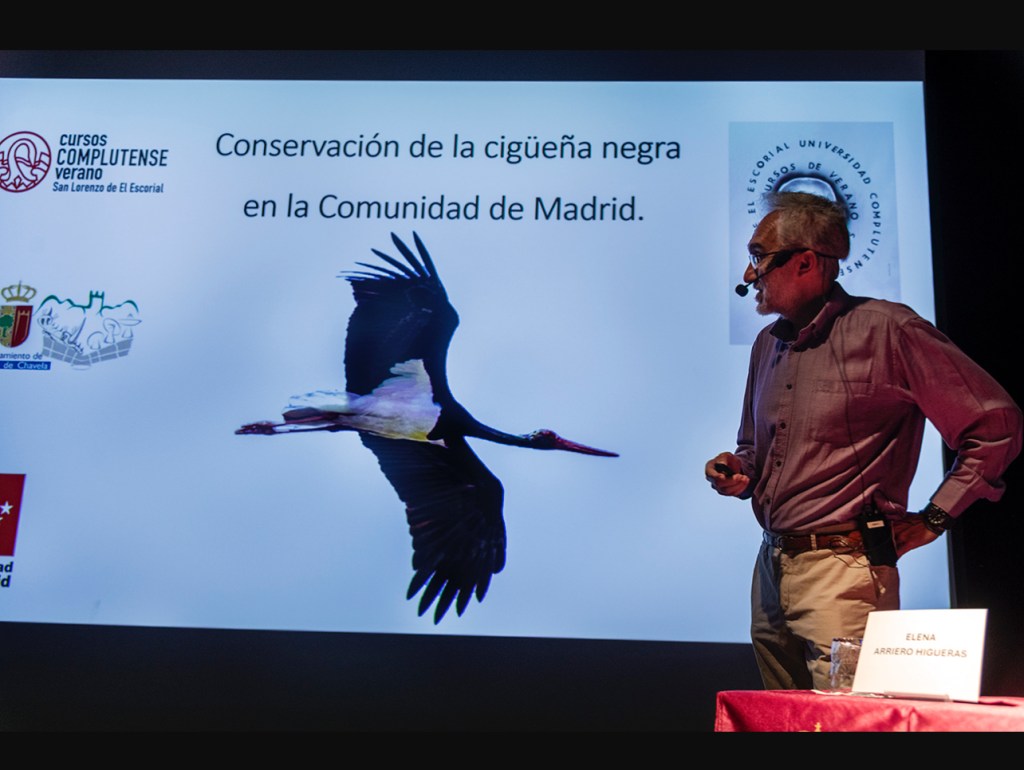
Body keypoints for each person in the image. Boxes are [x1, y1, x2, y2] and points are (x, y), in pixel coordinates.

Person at [706, 191, 1023, 691]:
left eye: (758, 257)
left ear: (806, 262)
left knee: (844, 733)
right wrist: (739, 470)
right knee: (781, 728)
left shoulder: (890, 331)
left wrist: (933, 519)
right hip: (770, 566)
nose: (749, 276)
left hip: (845, 573)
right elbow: (754, 450)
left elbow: (995, 425)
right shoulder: (767, 344)